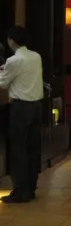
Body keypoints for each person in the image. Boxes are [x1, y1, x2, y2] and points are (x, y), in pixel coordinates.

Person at [0, 26, 44, 203]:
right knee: (33, 148)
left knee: (18, 148)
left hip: (21, 107)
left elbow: (3, 84)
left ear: (11, 40)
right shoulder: (36, 57)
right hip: (36, 106)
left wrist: (3, 71)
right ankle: (31, 188)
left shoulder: (13, 60)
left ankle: (19, 191)